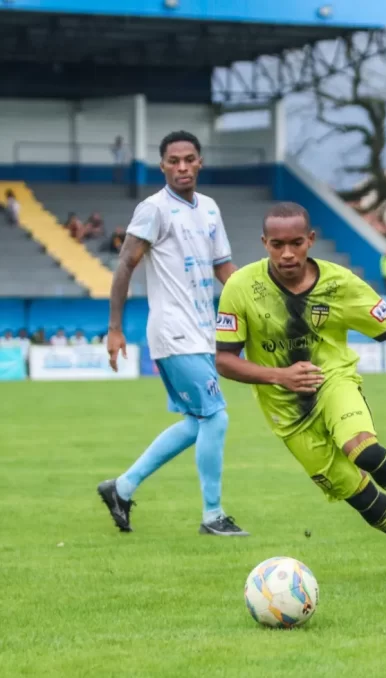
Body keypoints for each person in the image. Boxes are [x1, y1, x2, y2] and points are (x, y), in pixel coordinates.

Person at [214, 202, 386, 578]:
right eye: (276, 244)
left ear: (311, 240)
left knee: (363, 450)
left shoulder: (340, 283)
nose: (287, 253)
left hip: (333, 381)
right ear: (264, 242)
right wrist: (281, 377)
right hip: (287, 413)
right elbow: (224, 360)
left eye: (295, 243)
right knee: (356, 491)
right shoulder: (241, 287)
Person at [98, 130, 248, 537]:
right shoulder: (153, 210)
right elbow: (125, 266)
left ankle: (122, 487)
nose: (182, 167)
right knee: (215, 418)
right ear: (162, 166)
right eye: (173, 161)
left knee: (196, 422)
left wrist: (257, 303)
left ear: (200, 162)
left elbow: (225, 271)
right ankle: (213, 516)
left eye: (189, 159)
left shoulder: (211, 209)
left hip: (204, 332)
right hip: (172, 332)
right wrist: (114, 329)